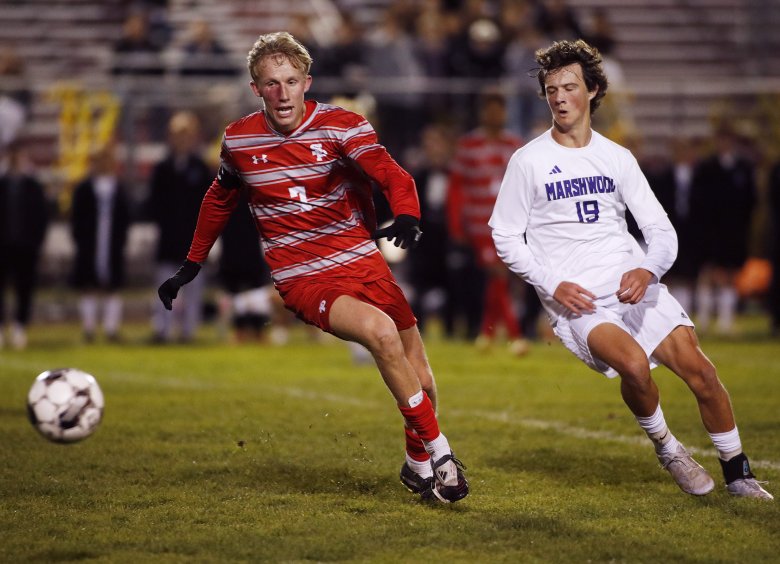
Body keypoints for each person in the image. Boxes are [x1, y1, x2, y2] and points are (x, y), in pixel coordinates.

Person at [157, 31, 468, 503]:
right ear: (255, 88)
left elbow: (390, 172)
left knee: (423, 380)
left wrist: (406, 211)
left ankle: (416, 465)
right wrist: (191, 263)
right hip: (303, 275)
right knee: (381, 334)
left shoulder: (343, 127)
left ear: (307, 82)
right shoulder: (239, 141)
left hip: (362, 260)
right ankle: (442, 456)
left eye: (290, 81)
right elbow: (220, 198)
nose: (282, 93)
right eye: (270, 83)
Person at [489, 39, 772, 499]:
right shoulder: (529, 161)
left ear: (594, 90)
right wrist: (551, 284)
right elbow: (504, 234)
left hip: (633, 284)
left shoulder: (617, 158)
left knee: (703, 373)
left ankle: (738, 473)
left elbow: (661, 232)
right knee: (635, 367)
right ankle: (668, 446)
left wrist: (648, 271)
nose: (559, 97)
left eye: (569, 86)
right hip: (579, 299)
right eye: (551, 89)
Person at [448, 91, 529, 355]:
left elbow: (525, 187)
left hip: (509, 222)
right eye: (490, 110)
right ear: (483, 113)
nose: (495, 115)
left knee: (499, 278)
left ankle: (486, 333)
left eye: (499, 110)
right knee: (498, 274)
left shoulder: (515, 145)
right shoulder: (469, 145)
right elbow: (457, 187)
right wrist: (456, 224)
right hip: (480, 223)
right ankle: (515, 336)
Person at [146, 111, 212, 343]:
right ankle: (162, 329)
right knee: (164, 282)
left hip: (193, 238)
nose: (182, 140)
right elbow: (154, 203)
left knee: (193, 288)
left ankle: (188, 331)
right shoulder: (162, 169)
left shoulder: (201, 168)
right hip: (169, 237)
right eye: (178, 135)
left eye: (187, 135)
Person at [689, 124, 757, 336]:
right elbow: (697, 200)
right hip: (709, 231)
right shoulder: (706, 167)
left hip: (734, 231)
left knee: (731, 274)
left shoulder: (744, 168)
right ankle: (704, 317)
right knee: (709, 272)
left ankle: (726, 319)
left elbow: (751, 199)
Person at [70, 144, 131, 343]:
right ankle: (88, 328)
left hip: (111, 242)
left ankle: (110, 328)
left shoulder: (118, 187)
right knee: (88, 284)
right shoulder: (84, 188)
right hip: (90, 242)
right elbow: (77, 218)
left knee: (112, 285)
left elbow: (125, 217)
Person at [0, 141, 49, 349]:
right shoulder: (2, 184)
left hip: (26, 248)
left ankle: (20, 326)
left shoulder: (33, 185)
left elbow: (41, 218)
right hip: (2, 246)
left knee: (24, 288)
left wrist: (36, 243)